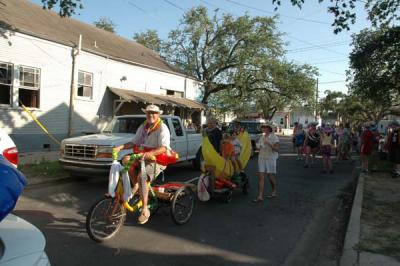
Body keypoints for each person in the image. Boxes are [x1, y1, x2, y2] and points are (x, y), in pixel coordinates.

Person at [114, 104, 170, 225]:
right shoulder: (143, 126)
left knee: (142, 177)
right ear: (146, 114)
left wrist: (150, 153)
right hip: (142, 156)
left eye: (153, 113)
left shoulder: (162, 128)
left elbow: (164, 147)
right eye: (149, 112)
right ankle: (138, 188)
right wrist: (121, 147)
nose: (151, 115)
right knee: (125, 160)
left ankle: (145, 209)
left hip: (157, 159)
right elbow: (134, 142)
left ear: (158, 114)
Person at [253, 123, 279, 203]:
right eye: (263, 127)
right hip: (261, 158)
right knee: (261, 177)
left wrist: (269, 144)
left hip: (270, 158)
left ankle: (274, 190)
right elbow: (259, 147)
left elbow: (277, 149)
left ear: (269, 129)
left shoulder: (274, 137)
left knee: (270, 177)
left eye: (265, 127)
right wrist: (258, 146)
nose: (263, 129)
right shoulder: (262, 137)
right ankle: (260, 196)